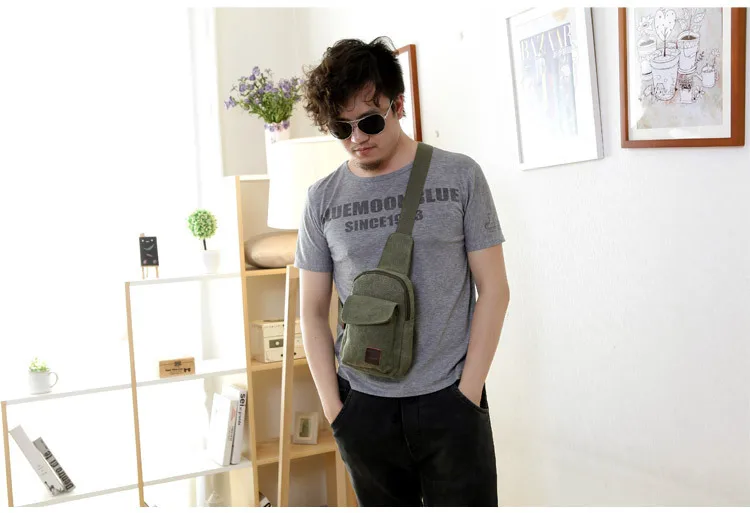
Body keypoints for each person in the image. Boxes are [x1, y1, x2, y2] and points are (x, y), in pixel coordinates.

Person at [295, 36, 510, 507]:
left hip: (450, 401)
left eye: (370, 121)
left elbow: (494, 289)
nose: (357, 138)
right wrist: (336, 410)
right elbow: (311, 311)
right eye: (341, 128)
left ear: (398, 105)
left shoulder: (460, 176)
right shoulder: (321, 199)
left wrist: (468, 392)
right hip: (363, 407)